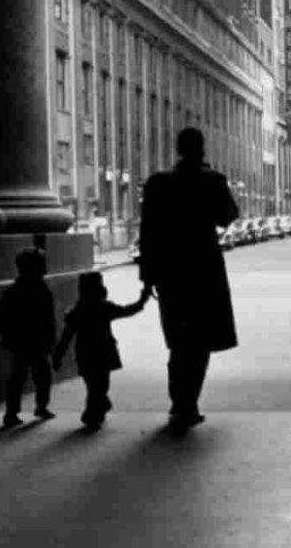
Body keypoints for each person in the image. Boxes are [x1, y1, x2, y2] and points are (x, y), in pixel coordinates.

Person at [139, 127, 239, 432]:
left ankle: (179, 402)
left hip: (171, 272)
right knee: (201, 341)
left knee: (179, 340)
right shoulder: (212, 181)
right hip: (204, 270)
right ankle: (189, 402)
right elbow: (228, 215)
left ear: (178, 148)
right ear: (202, 149)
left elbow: (148, 232)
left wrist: (147, 277)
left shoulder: (158, 183)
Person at [51, 271, 149, 429]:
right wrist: (142, 300)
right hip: (104, 352)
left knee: (93, 386)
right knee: (101, 386)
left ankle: (97, 410)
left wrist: (58, 356)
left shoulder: (76, 311)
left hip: (85, 353)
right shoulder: (105, 307)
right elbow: (127, 311)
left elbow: (66, 337)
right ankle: (93, 414)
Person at [0, 247, 57, 428]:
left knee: (18, 377)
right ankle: (40, 406)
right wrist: (52, 341)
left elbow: (0, 316)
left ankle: (12, 412)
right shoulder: (43, 290)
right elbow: (48, 319)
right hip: (36, 341)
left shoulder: (14, 290)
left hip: (19, 341)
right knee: (41, 376)